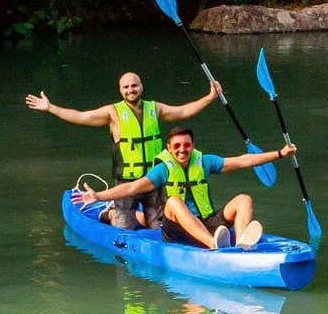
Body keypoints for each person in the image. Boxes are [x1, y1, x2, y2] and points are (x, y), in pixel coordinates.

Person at [26, 72, 222, 228]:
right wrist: (50, 108)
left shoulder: (155, 108)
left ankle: (140, 216)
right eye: (126, 87)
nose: (131, 90)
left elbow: (183, 111)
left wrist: (210, 97)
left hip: (154, 180)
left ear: (141, 87)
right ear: (120, 90)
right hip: (126, 180)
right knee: (124, 227)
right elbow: (80, 116)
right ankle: (109, 212)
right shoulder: (112, 112)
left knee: (159, 228)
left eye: (134, 85)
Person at [75, 126, 295, 250]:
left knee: (244, 199)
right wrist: (98, 196)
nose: (183, 150)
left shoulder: (204, 161)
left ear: (193, 146)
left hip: (207, 221)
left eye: (187, 145)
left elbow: (242, 161)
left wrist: (279, 153)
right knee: (173, 201)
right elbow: (133, 187)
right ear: (169, 149)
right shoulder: (163, 169)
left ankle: (240, 246)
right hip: (176, 231)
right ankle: (215, 246)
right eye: (177, 146)